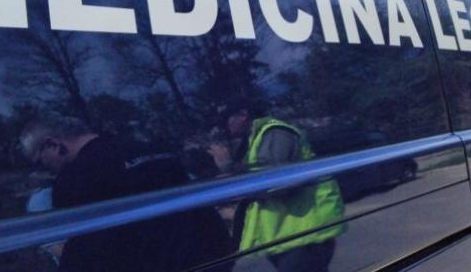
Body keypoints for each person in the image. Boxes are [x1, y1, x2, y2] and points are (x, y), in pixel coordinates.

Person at [21, 117, 232, 272]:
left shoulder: (74, 179)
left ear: (53, 144)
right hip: (216, 256)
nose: (45, 168)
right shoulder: (157, 151)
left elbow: (86, 253)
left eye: (40, 160)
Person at [210, 105, 345, 272]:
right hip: (289, 233)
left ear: (243, 114)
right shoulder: (256, 138)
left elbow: (274, 185)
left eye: (226, 119)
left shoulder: (274, 133)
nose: (225, 126)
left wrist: (228, 166)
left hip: (303, 232)